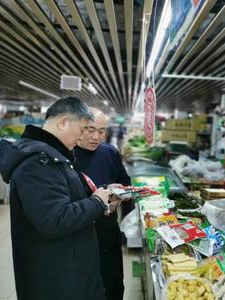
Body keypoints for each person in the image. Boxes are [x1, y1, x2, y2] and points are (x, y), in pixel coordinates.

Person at [0, 97, 115, 300]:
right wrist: (96, 202)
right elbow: (54, 219)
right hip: (57, 278)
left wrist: (101, 195)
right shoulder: (38, 164)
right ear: (63, 122)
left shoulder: (54, 158)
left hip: (68, 266)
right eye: (82, 130)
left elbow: (64, 198)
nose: (81, 138)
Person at [75, 108, 131, 300]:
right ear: (79, 127)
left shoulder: (110, 153)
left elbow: (126, 185)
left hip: (107, 229)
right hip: (78, 232)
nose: (96, 137)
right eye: (90, 130)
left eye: (102, 131)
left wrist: (118, 195)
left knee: (113, 283)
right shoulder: (66, 155)